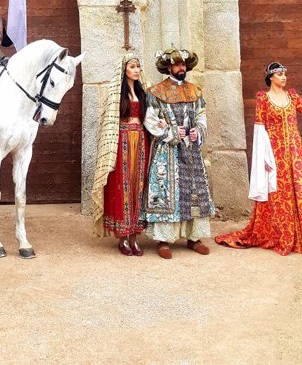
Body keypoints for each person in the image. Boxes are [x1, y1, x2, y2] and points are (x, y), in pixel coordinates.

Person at [216, 62, 302, 256]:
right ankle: (281, 235)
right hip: (275, 154)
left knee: (298, 191)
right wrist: (263, 156)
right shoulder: (263, 99)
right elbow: (259, 129)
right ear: (270, 77)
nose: (283, 77)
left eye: (284, 74)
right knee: (279, 195)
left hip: (296, 152)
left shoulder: (292, 96)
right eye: (279, 74)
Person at [143, 47, 215, 258]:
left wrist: (198, 130)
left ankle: (194, 238)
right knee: (166, 190)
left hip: (191, 151)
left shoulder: (195, 91)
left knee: (194, 190)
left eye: (183, 64)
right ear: (169, 67)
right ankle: (163, 240)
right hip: (167, 150)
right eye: (177, 64)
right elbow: (150, 119)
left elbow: (201, 114)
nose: (181, 67)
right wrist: (171, 131)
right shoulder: (156, 92)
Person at [91, 53, 149, 256]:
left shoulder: (143, 93)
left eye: (138, 66)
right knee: (122, 186)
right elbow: (108, 122)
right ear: (124, 70)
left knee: (138, 186)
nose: (136, 70)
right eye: (132, 66)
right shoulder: (116, 94)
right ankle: (123, 237)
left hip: (141, 141)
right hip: (122, 141)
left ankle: (135, 236)